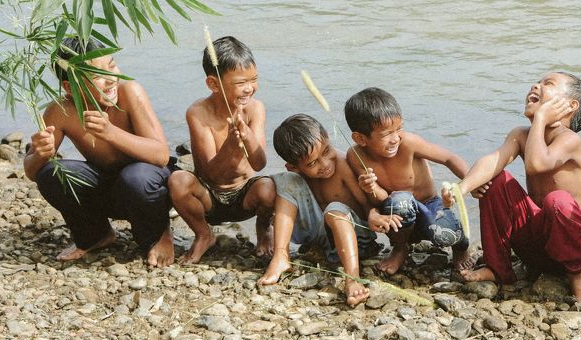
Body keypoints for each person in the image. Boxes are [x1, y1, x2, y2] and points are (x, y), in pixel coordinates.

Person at [442, 72, 581, 304]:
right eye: (537, 82)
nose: (535, 85)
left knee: (557, 200)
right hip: (535, 248)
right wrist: (462, 188)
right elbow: (493, 161)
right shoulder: (520, 135)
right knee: (495, 180)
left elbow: (537, 164)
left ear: (570, 106)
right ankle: (498, 268)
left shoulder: (570, 140)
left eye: (548, 84)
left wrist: (540, 118)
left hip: (573, 248)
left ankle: (578, 274)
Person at [24, 37, 175, 267]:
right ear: (69, 87)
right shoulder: (61, 111)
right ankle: (95, 235)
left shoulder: (130, 92)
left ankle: (159, 234)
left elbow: (161, 155)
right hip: (109, 187)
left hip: (148, 186)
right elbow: (32, 171)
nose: (111, 79)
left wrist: (110, 132)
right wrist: (40, 154)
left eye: (112, 66)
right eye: (97, 76)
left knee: (135, 177)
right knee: (51, 173)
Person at [167, 36, 275, 264]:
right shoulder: (198, 113)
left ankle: (264, 229)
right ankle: (203, 234)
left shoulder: (255, 109)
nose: (249, 88)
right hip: (208, 197)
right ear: (213, 84)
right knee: (178, 181)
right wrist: (231, 146)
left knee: (269, 188)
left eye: (254, 80)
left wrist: (247, 137)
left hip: (244, 195)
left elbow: (259, 164)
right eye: (241, 83)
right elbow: (211, 173)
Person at [258, 114, 384, 306]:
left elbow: (367, 207)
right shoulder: (296, 174)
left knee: (334, 208)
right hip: (319, 236)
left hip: (356, 239)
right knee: (285, 180)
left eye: (326, 151)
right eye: (312, 163)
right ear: (294, 167)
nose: (325, 164)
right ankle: (281, 256)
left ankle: (352, 278)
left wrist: (374, 213)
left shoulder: (342, 164)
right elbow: (289, 192)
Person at [344, 87, 470, 276]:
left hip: (429, 205)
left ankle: (461, 248)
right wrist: (371, 188)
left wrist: (471, 183)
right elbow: (382, 198)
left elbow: (449, 158)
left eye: (399, 129)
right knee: (400, 200)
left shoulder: (409, 143)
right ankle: (400, 249)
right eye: (386, 134)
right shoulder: (356, 156)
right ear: (360, 138)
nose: (396, 139)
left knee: (448, 235)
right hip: (399, 214)